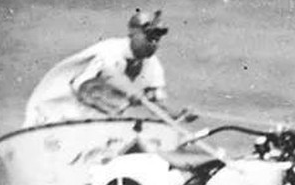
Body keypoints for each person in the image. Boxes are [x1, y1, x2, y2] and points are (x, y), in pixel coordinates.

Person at [22, 8, 188, 127]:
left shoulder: (153, 66)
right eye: (149, 36)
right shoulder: (110, 50)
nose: (154, 42)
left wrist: (179, 115)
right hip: (57, 117)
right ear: (133, 33)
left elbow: (158, 103)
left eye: (157, 38)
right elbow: (97, 81)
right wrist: (130, 92)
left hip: (93, 125)